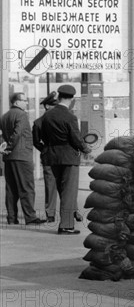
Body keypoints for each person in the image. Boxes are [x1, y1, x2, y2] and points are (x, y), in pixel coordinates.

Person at [40, 85, 91, 234]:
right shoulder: (70, 116)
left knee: (62, 190)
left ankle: (65, 222)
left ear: (59, 97)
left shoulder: (47, 115)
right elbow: (75, 138)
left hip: (53, 156)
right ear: (72, 99)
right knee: (69, 192)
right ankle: (66, 226)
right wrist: (86, 149)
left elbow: (43, 136)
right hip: (69, 157)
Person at [1, 93, 46, 225]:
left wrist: (5, 149)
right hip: (22, 156)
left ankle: (11, 218)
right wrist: (9, 146)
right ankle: (30, 217)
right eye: (23, 100)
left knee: (11, 189)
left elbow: (3, 135)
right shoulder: (21, 115)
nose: (26, 103)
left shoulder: (4, 116)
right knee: (27, 187)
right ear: (16, 102)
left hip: (9, 158)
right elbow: (17, 133)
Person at [32, 92, 59, 223]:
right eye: (54, 105)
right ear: (47, 106)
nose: (56, 107)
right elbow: (36, 141)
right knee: (51, 185)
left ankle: (52, 213)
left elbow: (36, 142)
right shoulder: (39, 122)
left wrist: (44, 150)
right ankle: (51, 214)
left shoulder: (38, 122)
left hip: (49, 155)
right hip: (54, 156)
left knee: (53, 185)